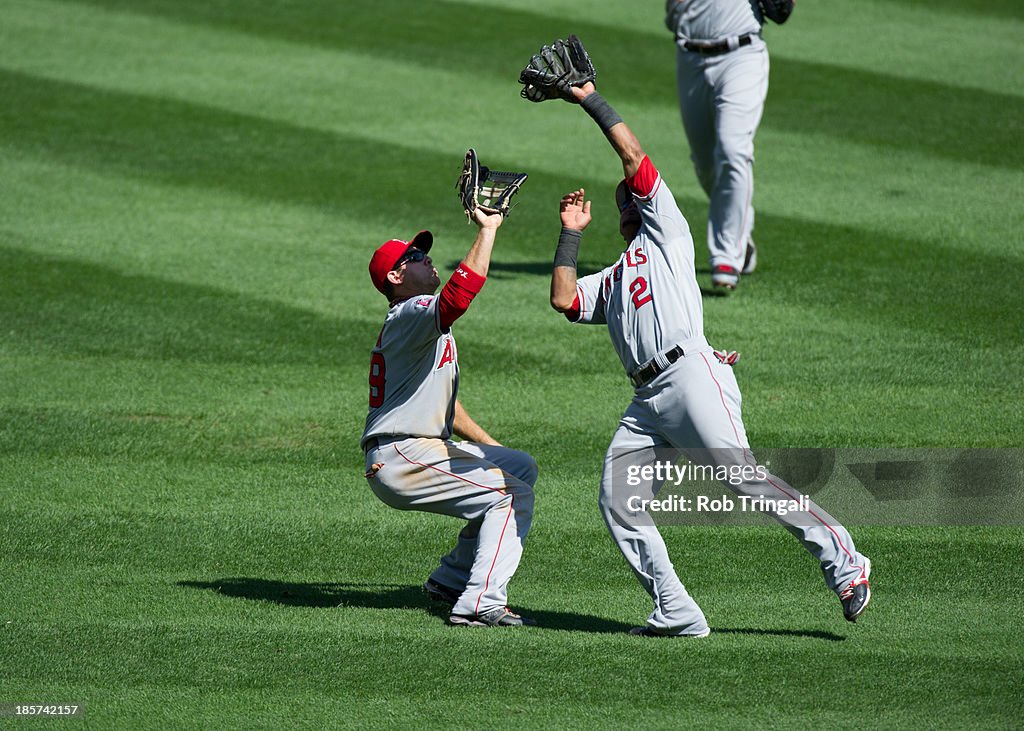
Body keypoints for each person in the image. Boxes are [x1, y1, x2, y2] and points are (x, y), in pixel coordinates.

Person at [545, 79, 871, 636]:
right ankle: (677, 609)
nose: (628, 197)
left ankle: (844, 559)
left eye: (631, 193)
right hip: (646, 402)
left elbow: (633, 155)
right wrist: (569, 235)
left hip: (691, 375)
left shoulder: (668, 233)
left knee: (742, 479)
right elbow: (564, 299)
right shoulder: (617, 276)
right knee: (618, 501)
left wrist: (589, 100)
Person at [361, 208, 538, 628]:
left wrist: (491, 449)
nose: (425, 256)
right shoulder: (413, 312)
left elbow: (447, 409)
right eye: (414, 257)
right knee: (510, 496)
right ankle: (479, 603)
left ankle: (451, 579)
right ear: (395, 278)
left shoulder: (421, 324)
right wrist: (488, 229)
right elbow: (460, 295)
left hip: (415, 448)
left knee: (519, 467)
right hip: (405, 455)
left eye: (423, 251)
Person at [665, 0, 774, 292]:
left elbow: (782, 11)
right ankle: (740, 228)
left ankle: (727, 256)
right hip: (689, 57)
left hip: (741, 55)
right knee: (706, 164)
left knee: (732, 149)